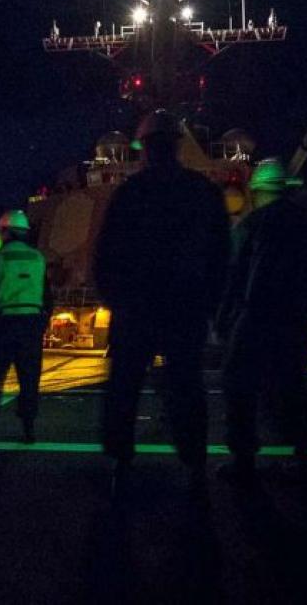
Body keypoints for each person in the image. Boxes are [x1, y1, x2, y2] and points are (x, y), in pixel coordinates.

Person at [93, 109, 230, 494]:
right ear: (177, 144)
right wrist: (211, 303)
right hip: (185, 307)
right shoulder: (203, 191)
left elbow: (105, 254)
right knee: (186, 385)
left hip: (135, 307)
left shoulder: (129, 192)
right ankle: (195, 463)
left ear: (144, 147)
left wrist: (115, 300)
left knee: (124, 386)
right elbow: (221, 254)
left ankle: (121, 461)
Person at [217, 159, 307, 486]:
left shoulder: (252, 224)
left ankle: (243, 457)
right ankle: (302, 456)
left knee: (238, 382)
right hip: (297, 317)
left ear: (257, 191)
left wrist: (224, 319)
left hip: (256, 314)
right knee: (293, 384)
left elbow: (234, 276)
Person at [0, 209, 51, 444]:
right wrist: (41, 323)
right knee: (29, 380)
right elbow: (47, 297)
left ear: (5, 232)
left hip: (2, 325)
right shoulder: (38, 259)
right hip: (30, 326)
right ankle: (28, 430)